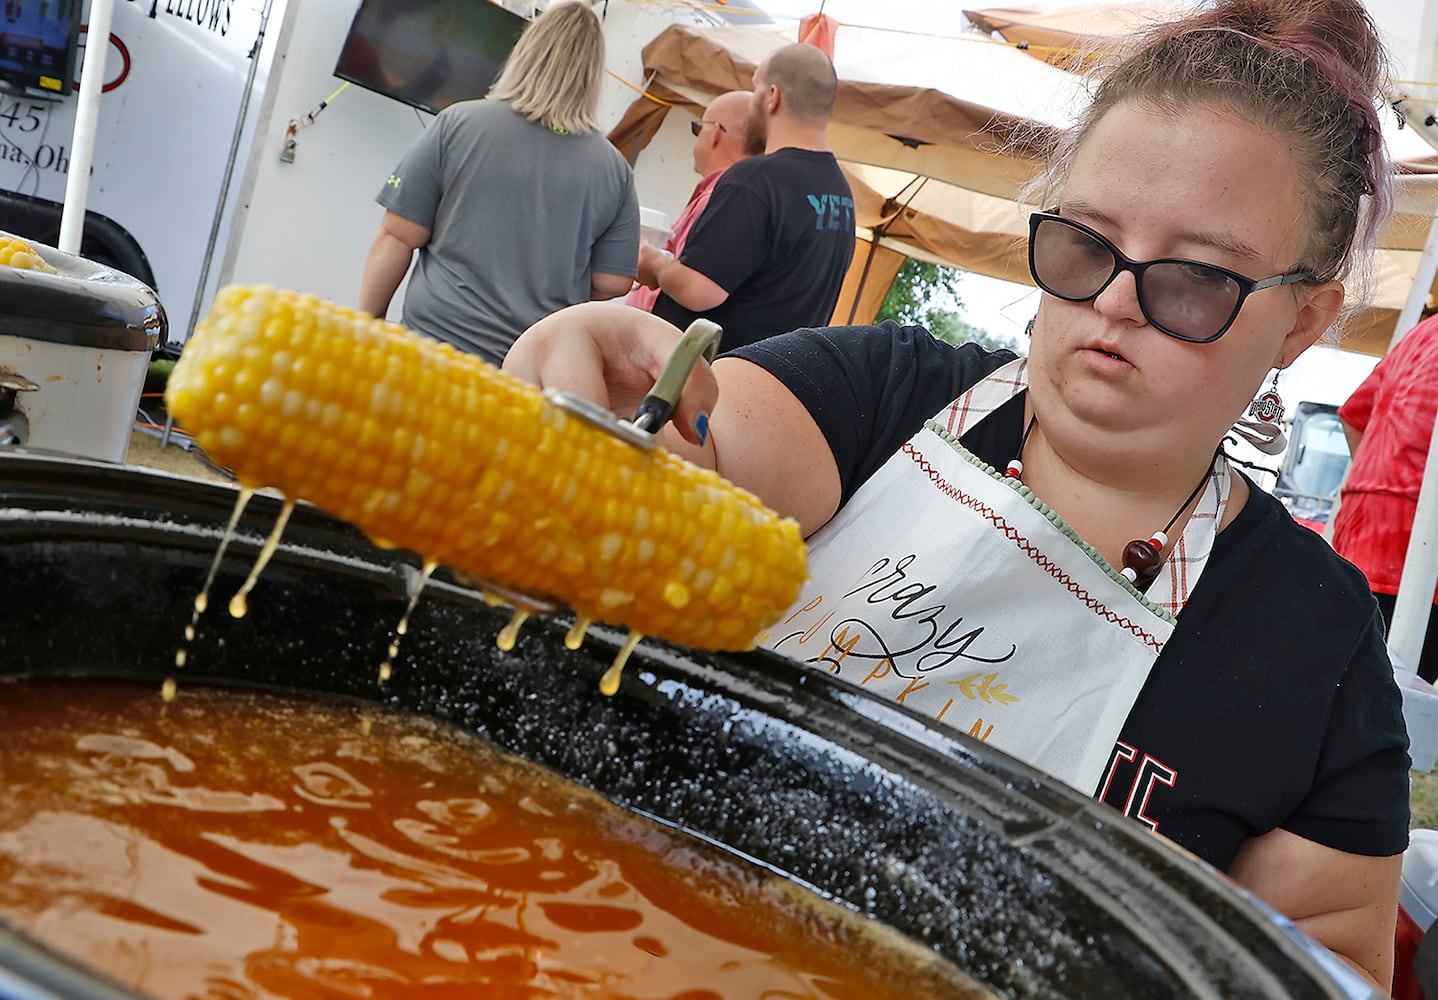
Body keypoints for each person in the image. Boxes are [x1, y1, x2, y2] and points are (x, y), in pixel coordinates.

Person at [507, 0, 1411, 989]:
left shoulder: (1315, 646)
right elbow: (692, 451)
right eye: (1083, 245)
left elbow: (1314, 964)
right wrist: (590, 390)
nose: (1112, 301)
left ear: (1303, 322)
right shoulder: (876, 398)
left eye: (1194, 279)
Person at [357, 1, 639, 367]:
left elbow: (397, 234)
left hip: (428, 352)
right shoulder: (614, 168)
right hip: (526, 370)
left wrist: (366, 327)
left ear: (526, 51)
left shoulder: (458, 123)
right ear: (592, 75)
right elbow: (614, 282)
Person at [637, 43, 855, 352]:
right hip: (770, 377)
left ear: (773, 97)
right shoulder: (842, 196)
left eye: (755, 89)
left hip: (705, 380)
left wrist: (655, 264)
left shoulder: (756, 180)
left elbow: (699, 289)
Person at [1333, 310, 1438, 682]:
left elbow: (1352, 416)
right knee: (1388, 703)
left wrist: (1380, 479)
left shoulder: (1421, 332)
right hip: (1419, 543)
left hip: (1361, 522)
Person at [626, 91, 763, 314]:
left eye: (697, 128)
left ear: (715, 134)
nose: (696, 137)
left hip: (653, 332)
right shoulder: (735, 195)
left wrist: (651, 261)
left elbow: (687, 281)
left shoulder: (722, 198)